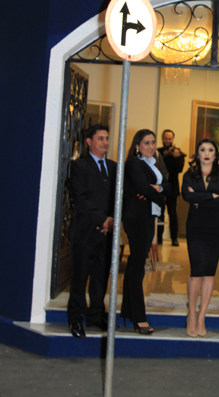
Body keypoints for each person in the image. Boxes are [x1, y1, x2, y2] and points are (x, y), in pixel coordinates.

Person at [67, 123, 116, 338]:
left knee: (100, 276)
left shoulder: (114, 167)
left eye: (106, 138)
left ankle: (96, 315)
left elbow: (118, 196)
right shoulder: (79, 166)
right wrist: (102, 220)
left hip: (107, 232)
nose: (105, 142)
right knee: (80, 277)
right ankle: (75, 318)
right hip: (85, 231)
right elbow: (80, 198)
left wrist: (110, 220)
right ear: (89, 142)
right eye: (100, 138)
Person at [121, 129, 171, 334]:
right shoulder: (134, 163)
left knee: (135, 264)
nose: (151, 146)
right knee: (137, 268)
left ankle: (128, 311)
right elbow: (142, 187)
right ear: (137, 146)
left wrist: (157, 190)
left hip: (149, 216)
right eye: (146, 143)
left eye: (152, 142)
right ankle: (139, 317)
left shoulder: (154, 163)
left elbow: (168, 185)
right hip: (136, 218)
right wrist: (158, 194)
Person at [181, 138, 219, 337]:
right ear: (197, 154)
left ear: (215, 154)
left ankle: (202, 317)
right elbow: (187, 196)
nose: (207, 153)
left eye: (210, 150)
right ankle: (191, 315)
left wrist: (199, 197)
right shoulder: (189, 175)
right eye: (203, 150)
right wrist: (212, 197)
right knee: (196, 271)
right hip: (195, 228)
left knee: (209, 272)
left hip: (215, 229)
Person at [157, 129, 186, 246]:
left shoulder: (178, 152)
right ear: (162, 139)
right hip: (160, 186)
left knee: (173, 214)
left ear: (173, 139)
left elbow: (179, 169)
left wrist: (176, 157)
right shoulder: (158, 152)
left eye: (170, 138)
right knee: (160, 213)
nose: (168, 141)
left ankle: (174, 238)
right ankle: (159, 238)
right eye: (166, 138)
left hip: (173, 187)